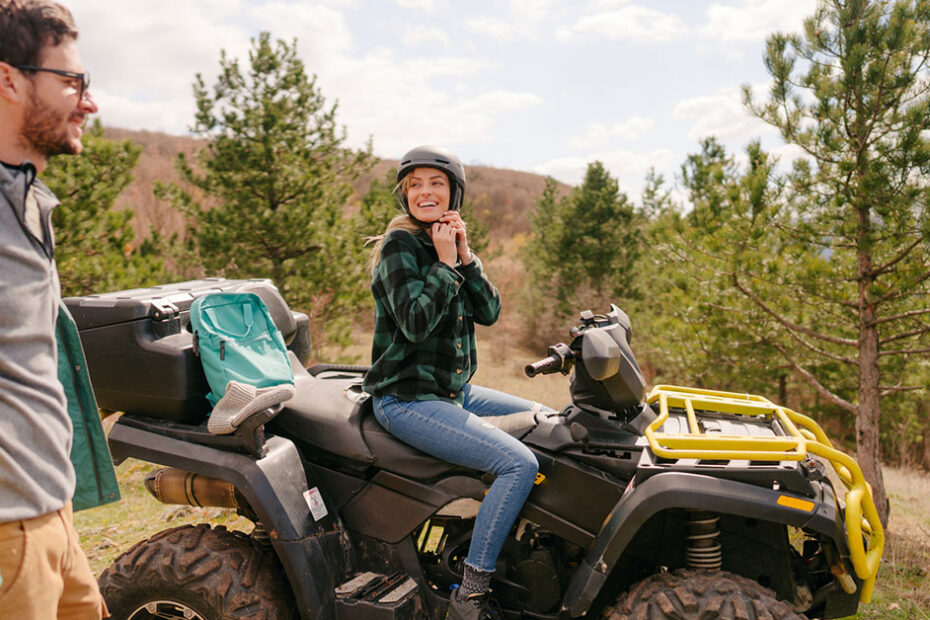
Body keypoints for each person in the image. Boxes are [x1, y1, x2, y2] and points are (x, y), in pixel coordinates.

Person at [363, 145, 552, 620]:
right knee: (517, 464)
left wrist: (466, 259)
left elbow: (489, 312)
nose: (425, 192)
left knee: (546, 421)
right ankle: (470, 593)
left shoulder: (447, 242)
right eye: (416, 185)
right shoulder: (399, 246)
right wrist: (445, 267)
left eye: (436, 183)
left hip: (455, 392)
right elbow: (414, 324)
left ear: (454, 193)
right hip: (405, 398)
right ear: (405, 195)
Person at [0, 1, 112, 618]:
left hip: (52, 514)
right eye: (70, 82)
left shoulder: (26, 200)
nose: (88, 103)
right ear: (9, 80)